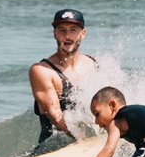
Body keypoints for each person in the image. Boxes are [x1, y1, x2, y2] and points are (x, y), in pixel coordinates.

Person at [29, 8, 98, 144]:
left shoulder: (93, 64)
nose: (67, 36)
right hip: (53, 148)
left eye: (73, 30)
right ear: (54, 34)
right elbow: (56, 117)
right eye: (62, 30)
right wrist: (84, 140)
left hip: (88, 144)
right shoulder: (42, 70)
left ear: (83, 34)